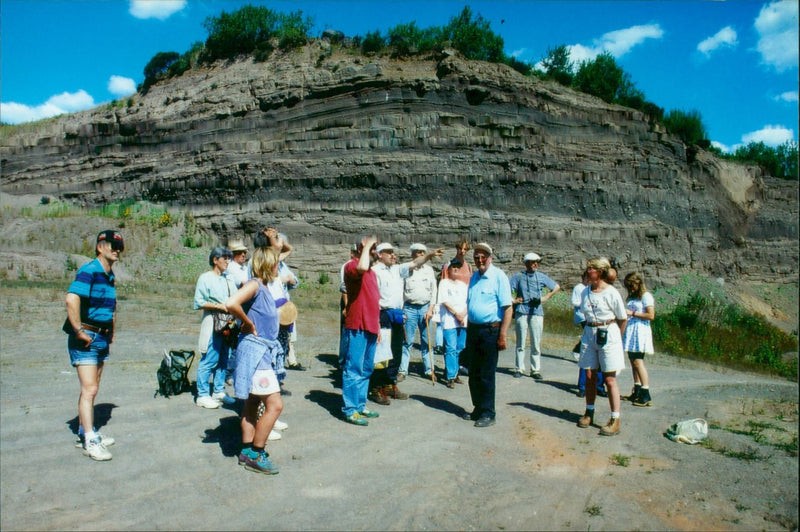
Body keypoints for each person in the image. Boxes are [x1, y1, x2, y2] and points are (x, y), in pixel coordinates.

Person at [65, 229, 124, 461]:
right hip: (86, 337)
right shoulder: (89, 270)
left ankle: (84, 431)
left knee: (93, 388)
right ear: (100, 246)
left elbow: (112, 307)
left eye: (120, 246)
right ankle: (90, 439)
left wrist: (111, 332)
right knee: (89, 389)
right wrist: (79, 330)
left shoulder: (109, 275)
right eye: (113, 245)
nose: (117, 250)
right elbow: (71, 299)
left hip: (101, 336)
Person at [224, 247, 284, 474]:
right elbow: (231, 303)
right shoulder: (255, 285)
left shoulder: (265, 288)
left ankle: (247, 449)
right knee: (275, 404)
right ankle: (257, 453)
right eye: (276, 263)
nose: (279, 266)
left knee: (252, 403)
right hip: (256, 353)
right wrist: (248, 323)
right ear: (268, 265)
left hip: (260, 352)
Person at [371, 242, 443, 404]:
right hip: (382, 314)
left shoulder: (398, 269)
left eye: (393, 252)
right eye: (388, 252)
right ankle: (376, 388)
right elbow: (373, 297)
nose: (392, 255)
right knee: (381, 354)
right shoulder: (375, 272)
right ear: (380, 254)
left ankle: (390, 384)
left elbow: (416, 263)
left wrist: (430, 255)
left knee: (396, 350)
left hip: (397, 314)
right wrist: (375, 321)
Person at [462, 243, 513, 428]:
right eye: (476, 257)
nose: (480, 260)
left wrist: (503, 335)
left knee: (486, 373)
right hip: (473, 329)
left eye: (483, 257)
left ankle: (488, 412)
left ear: (490, 257)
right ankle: (477, 408)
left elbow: (507, 308)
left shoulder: (499, 276)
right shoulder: (474, 277)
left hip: (491, 330)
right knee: (473, 372)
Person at [576, 257, 627, 436]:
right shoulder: (585, 292)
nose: (588, 271)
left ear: (600, 271)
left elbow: (622, 318)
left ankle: (615, 419)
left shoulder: (612, 293)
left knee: (609, 379)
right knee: (589, 374)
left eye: (591, 268)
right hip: (590, 333)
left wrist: (617, 340)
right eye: (588, 268)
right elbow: (585, 313)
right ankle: (589, 411)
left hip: (608, 333)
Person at [341, 235, 382, 426]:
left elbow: (374, 302)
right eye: (372, 249)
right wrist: (365, 246)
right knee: (353, 368)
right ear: (360, 249)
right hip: (357, 325)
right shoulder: (352, 266)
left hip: (371, 327)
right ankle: (350, 409)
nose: (376, 252)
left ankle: (359, 404)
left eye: (375, 248)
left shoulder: (373, 274)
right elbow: (361, 267)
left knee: (366, 369)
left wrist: (378, 327)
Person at [193, 246, 237, 409]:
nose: (227, 261)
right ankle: (202, 394)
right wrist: (219, 306)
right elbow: (199, 302)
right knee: (210, 358)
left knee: (224, 357)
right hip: (213, 321)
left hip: (228, 323)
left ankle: (218, 391)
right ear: (215, 260)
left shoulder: (229, 278)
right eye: (224, 258)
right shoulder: (205, 278)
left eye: (229, 258)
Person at [509, 252, 561, 379]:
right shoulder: (519, 276)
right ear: (526, 263)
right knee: (520, 342)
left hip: (537, 312)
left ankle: (535, 370)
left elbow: (556, 287)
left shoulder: (541, 277)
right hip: (522, 311)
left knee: (536, 342)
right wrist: (514, 300)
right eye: (532, 262)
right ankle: (519, 368)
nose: (535, 264)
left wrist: (544, 298)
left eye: (536, 262)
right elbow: (506, 288)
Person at [399, 243, 439, 381]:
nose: (421, 254)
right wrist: (401, 310)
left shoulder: (429, 270)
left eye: (423, 252)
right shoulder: (405, 269)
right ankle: (403, 370)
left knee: (426, 341)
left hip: (425, 308)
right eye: (418, 252)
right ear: (412, 254)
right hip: (409, 308)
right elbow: (400, 291)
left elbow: (434, 290)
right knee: (407, 341)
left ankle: (429, 370)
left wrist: (431, 309)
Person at [436, 240, 473, 373]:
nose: (462, 251)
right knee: (450, 343)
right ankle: (450, 371)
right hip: (450, 307)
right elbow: (444, 284)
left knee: (461, 344)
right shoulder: (449, 265)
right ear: (457, 249)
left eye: (465, 249)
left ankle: (457, 368)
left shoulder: (468, 267)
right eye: (460, 249)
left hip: (464, 307)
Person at [622, 272, 655, 407]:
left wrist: (633, 313)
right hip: (631, 329)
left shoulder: (646, 296)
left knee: (638, 361)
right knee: (632, 361)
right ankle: (637, 389)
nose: (630, 289)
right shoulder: (632, 297)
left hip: (640, 330)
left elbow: (651, 315)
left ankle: (646, 392)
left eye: (632, 286)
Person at [572, 269, 604, 398]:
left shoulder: (604, 291)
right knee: (587, 356)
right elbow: (580, 305)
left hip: (602, 326)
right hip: (588, 323)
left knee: (601, 356)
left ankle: (599, 385)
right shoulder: (583, 290)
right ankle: (583, 386)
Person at [437, 258, 469, 388]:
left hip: (462, 320)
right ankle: (450, 376)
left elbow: (468, 301)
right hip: (450, 320)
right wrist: (456, 314)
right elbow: (444, 300)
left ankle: (455, 372)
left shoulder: (463, 285)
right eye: (453, 267)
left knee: (459, 348)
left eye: (457, 268)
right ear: (448, 270)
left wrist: (462, 314)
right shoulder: (444, 283)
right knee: (450, 347)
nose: (455, 269)